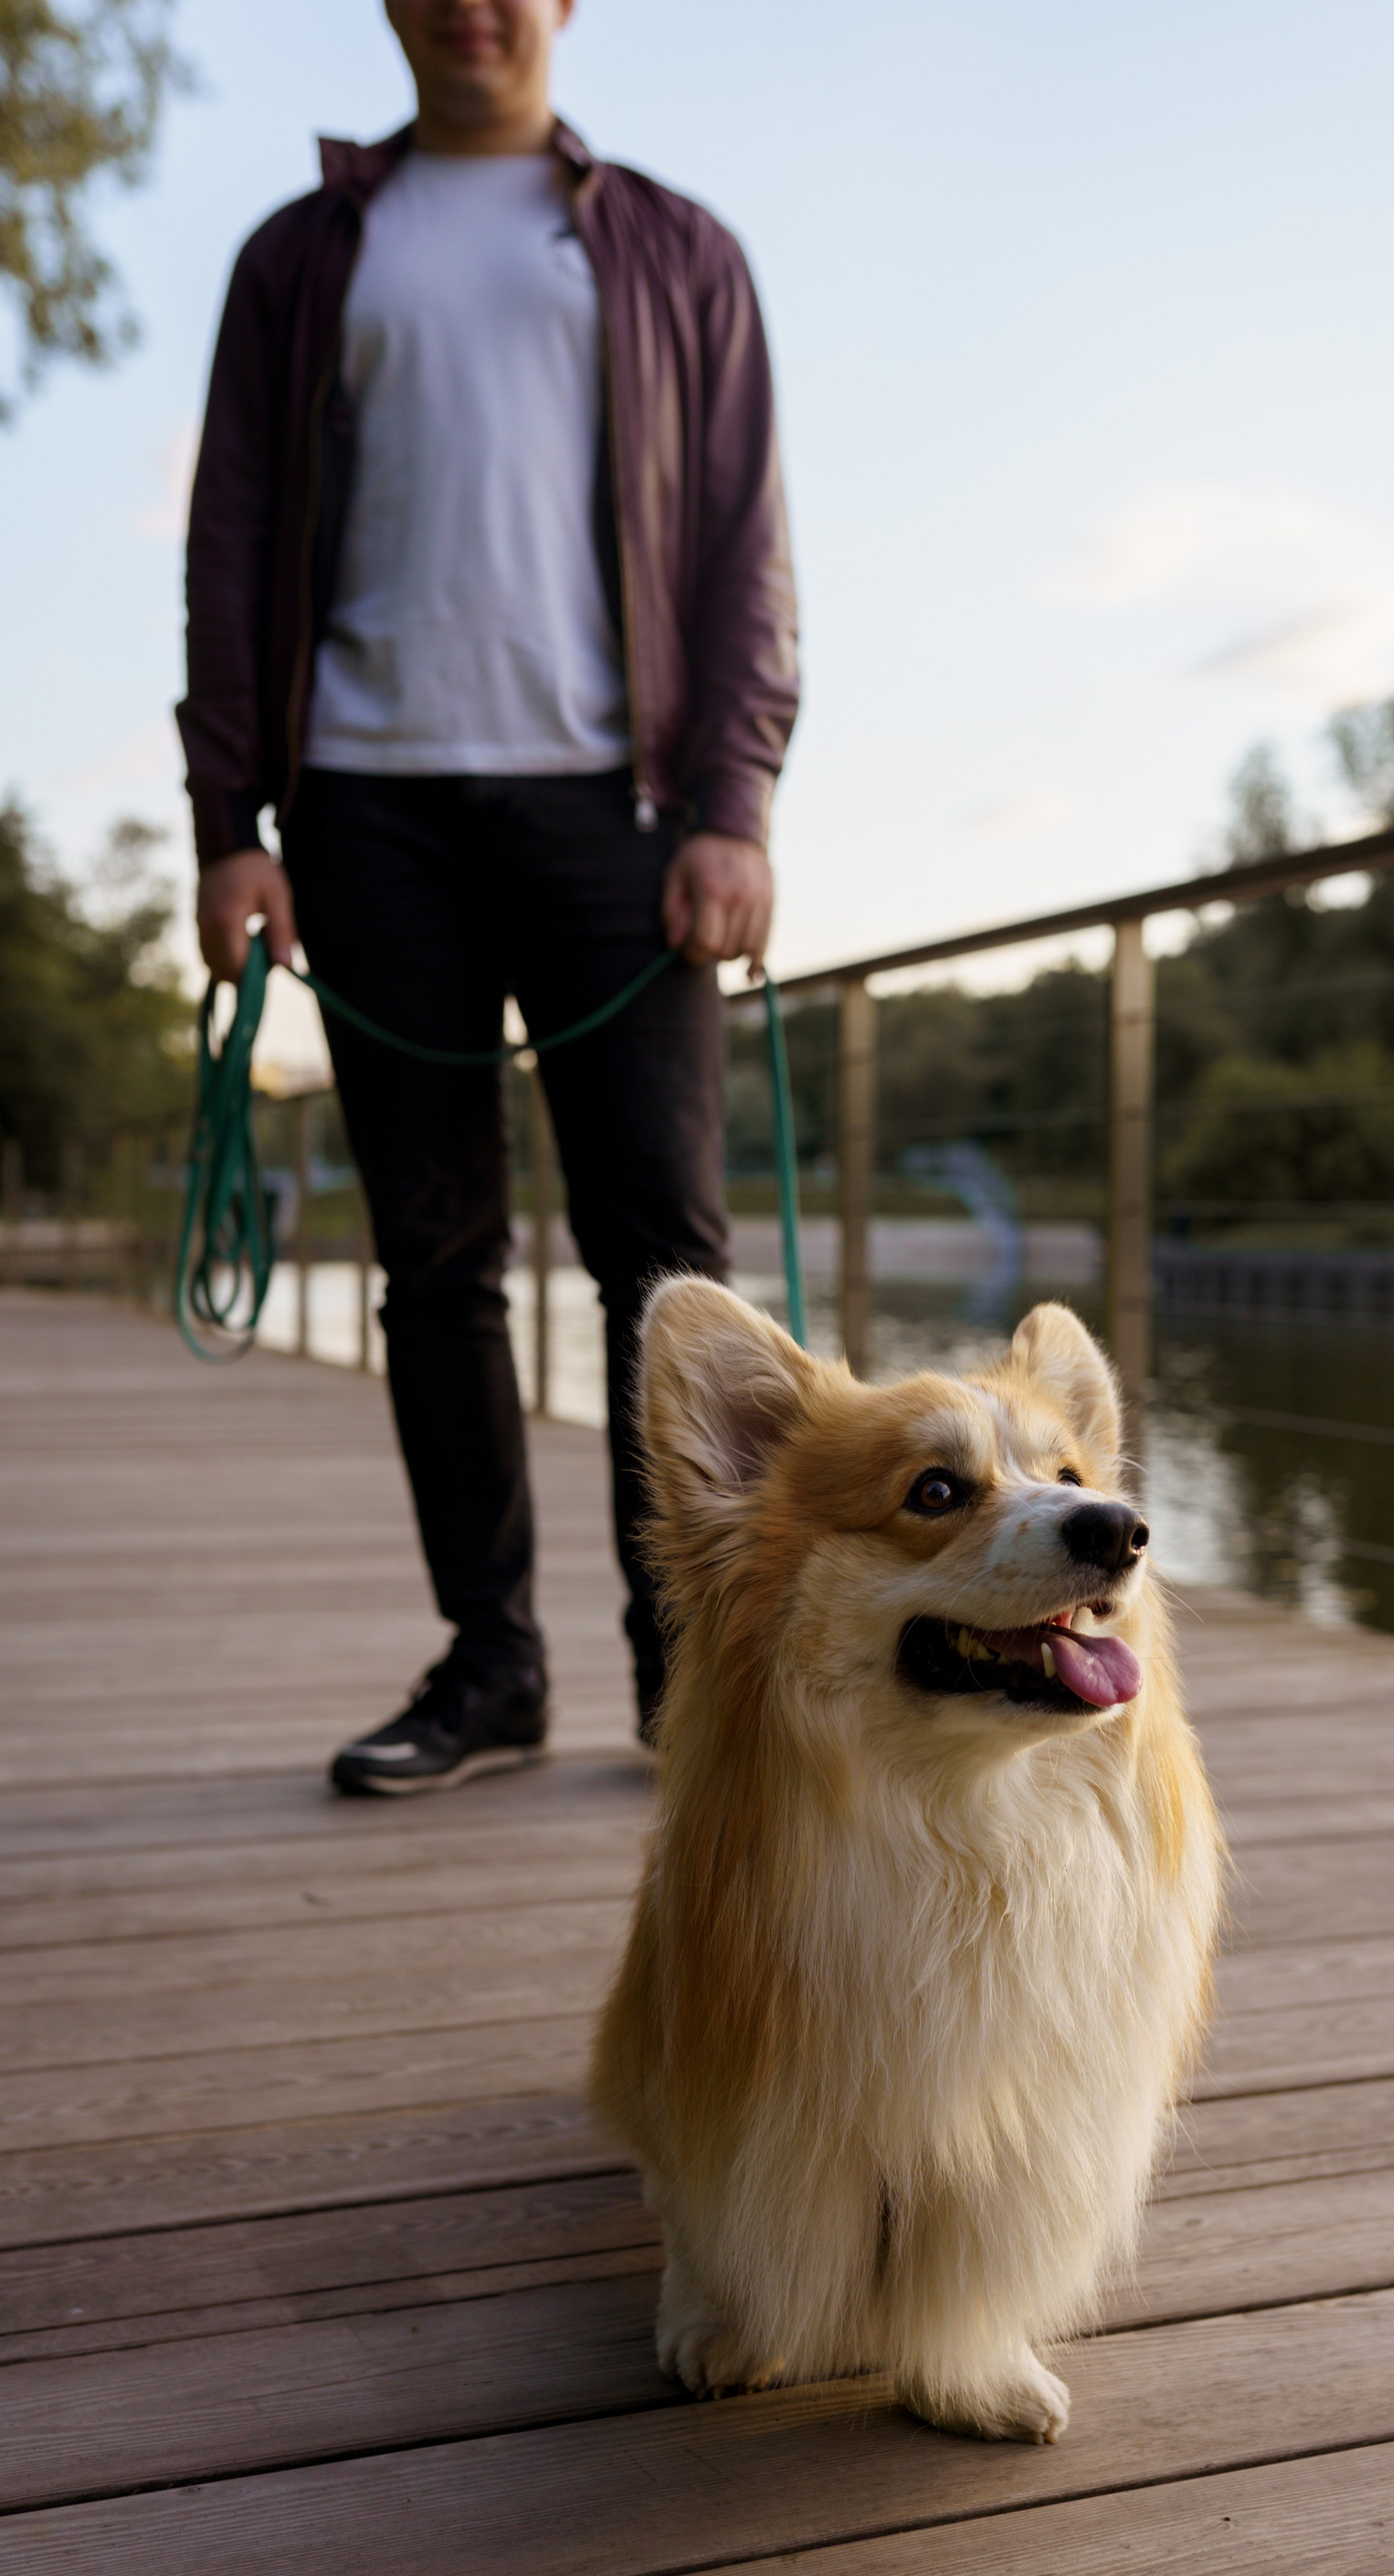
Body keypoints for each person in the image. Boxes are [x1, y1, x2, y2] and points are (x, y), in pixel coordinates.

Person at [178, 0, 799, 1789]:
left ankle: (692, 1686)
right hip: (370, 813)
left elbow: (745, 545)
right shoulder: (303, 257)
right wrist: (233, 818)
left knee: (665, 1270)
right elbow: (229, 544)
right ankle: (491, 1667)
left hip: (623, 815)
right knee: (431, 1263)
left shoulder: (677, 251)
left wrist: (732, 803)